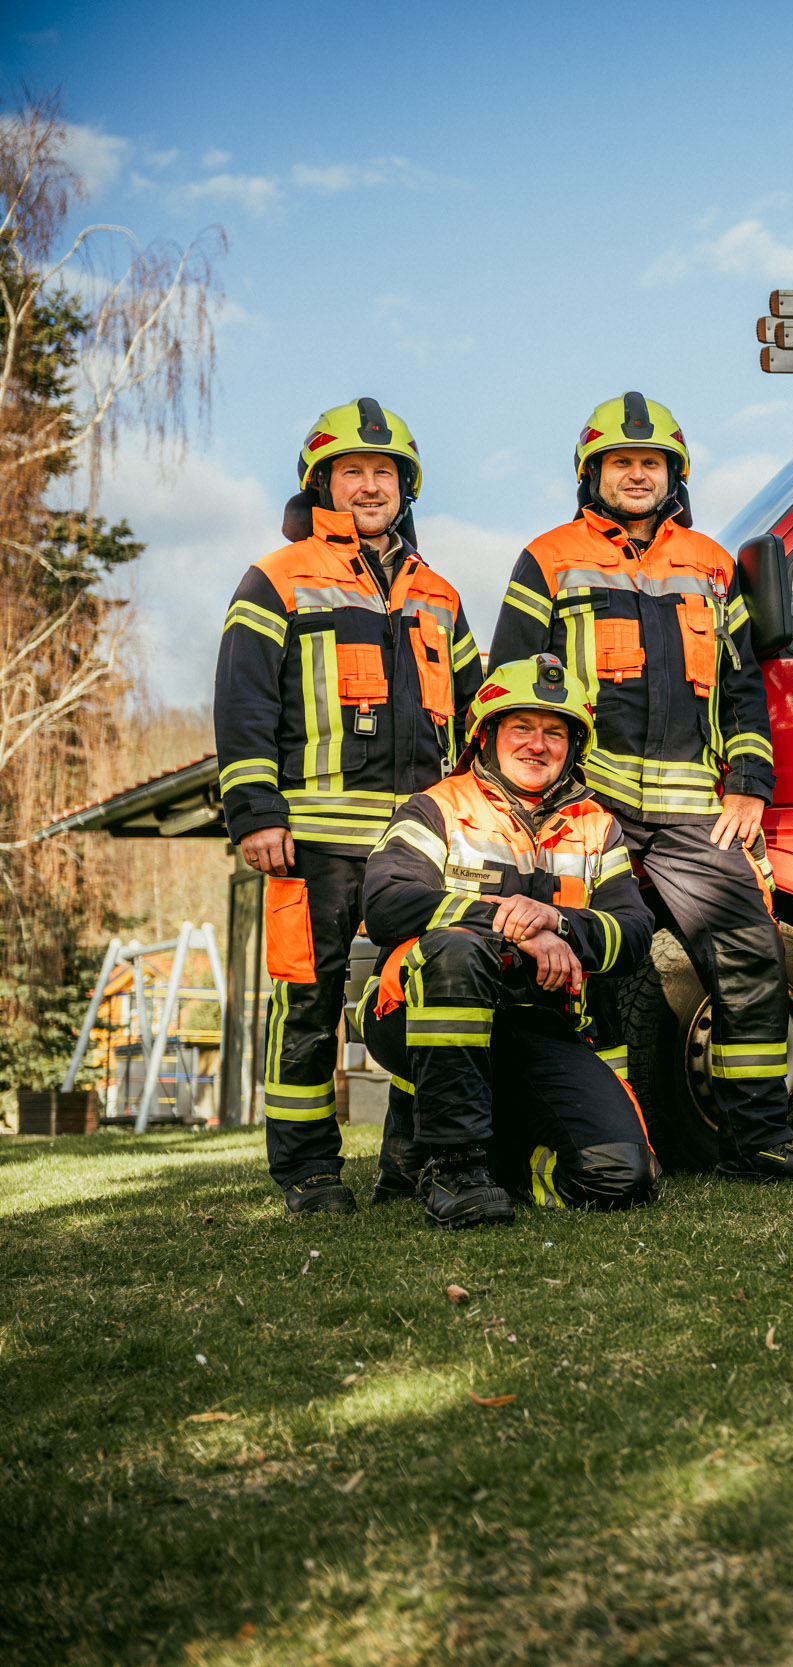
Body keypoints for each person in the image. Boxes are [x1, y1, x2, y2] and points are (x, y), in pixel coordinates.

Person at [489, 392, 793, 1183]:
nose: (637, 475)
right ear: (593, 474)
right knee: (593, 971)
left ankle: (760, 1140)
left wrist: (748, 784)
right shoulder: (546, 558)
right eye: (621, 463)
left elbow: (744, 689)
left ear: (673, 474)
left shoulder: (711, 564)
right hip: (587, 806)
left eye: (651, 463)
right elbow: (510, 686)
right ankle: (604, 1145)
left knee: (751, 952)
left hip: (692, 813)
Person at [214, 399, 482, 1215]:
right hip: (312, 841)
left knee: (425, 992)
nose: (370, 486)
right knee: (309, 1000)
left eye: (385, 473)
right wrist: (255, 812)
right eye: (353, 472)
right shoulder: (278, 577)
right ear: (321, 482)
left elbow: (475, 715)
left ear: (407, 488)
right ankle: (307, 1173)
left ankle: (413, 1158)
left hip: (418, 848)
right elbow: (244, 702)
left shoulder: (438, 594)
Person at [358, 657, 658, 1227]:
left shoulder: (599, 826)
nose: (538, 744)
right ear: (488, 734)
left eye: (555, 732)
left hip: (539, 1025)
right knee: (457, 949)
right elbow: (385, 903)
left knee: (622, 1176)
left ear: (574, 745)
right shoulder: (438, 807)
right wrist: (509, 923)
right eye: (521, 726)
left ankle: (466, 1159)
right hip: (414, 1015)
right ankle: (455, 1169)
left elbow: (634, 934)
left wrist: (560, 923)